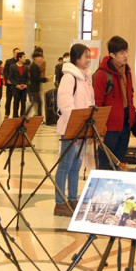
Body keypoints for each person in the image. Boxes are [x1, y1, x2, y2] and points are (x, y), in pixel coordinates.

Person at [54, 43, 95, 217]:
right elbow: (65, 104)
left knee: (76, 164)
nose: (89, 59)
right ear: (77, 58)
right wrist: (76, 122)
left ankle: (72, 198)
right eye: (86, 56)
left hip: (83, 127)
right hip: (71, 128)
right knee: (65, 165)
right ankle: (59, 203)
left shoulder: (85, 77)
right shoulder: (69, 77)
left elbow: (88, 101)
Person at [94, 36, 136, 170]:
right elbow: (97, 103)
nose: (126, 55)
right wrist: (100, 129)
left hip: (125, 123)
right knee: (105, 163)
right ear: (112, 55)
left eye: (126, 51)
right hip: (108, 127)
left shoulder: (127, 71)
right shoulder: (102, 74)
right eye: (122, 53)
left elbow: (130, 95)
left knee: (120, 162)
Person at [27, 52, 48, 117]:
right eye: (40, 57)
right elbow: (35, 78)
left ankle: (35, 116)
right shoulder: (34, 66)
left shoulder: (35, 66)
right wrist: (45, 79)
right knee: (37, 103)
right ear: (35, 58)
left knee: (35, 103)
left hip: (34, 88)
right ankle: (37, 117)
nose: (41, 59)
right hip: (33, 89)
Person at [9, 51, 29, 118]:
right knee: (16, 103)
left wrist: (26, 85)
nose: (25, 58)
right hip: (16, 88)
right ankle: (15, 116)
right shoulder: (12, 67)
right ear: (19, 58)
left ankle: (22, 116)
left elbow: (28, 78)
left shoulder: (26, 67)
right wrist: (16, 85)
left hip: (24, 88)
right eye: (23, 57)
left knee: (23, 103)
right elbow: (11, 77)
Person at [3, 48, 20, 118]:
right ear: (13, 53)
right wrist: (7, 79)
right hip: (10, 84)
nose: (17, 54)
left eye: (18, 53)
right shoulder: (8, 61)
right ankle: (7, 113)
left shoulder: (20, 62)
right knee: (8, 100)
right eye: (15, 52)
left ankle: (15, 114)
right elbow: (5, 72)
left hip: (17, 85)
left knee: (16, 100)